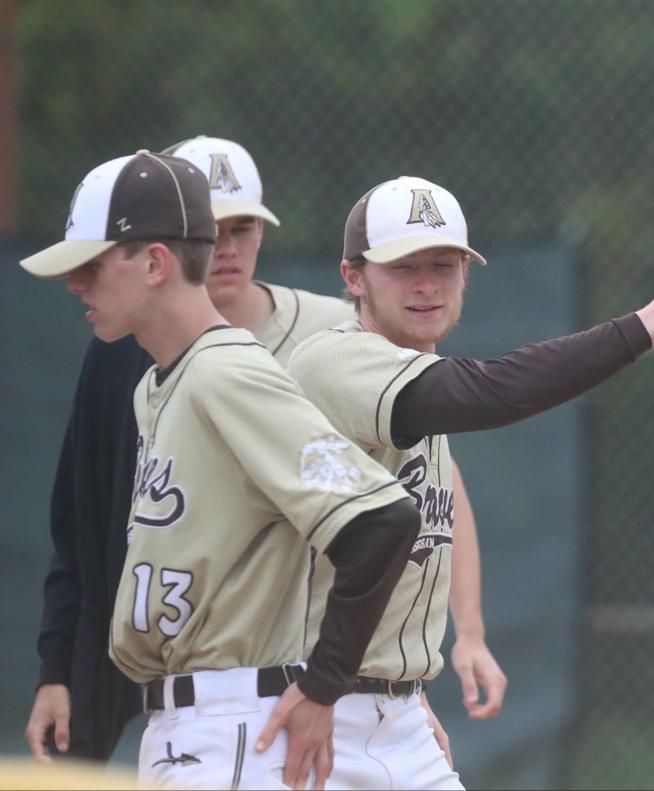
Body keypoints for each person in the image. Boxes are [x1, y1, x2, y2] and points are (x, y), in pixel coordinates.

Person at [25, 136, 503, 766]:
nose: (224, 245)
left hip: (270, 690)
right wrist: (61, 664)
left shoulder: (331, 335)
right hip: (172, 660)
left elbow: (418, 491)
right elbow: (85, 517)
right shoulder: (127, 357)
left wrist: (404, 670)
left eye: (242, 225)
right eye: (211, 225)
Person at [286, 175, 654, 788]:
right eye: (403, 266)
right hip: (314, 706)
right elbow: (495, 392)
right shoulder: (336, 361)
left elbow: (447, 501)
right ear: (353, 277)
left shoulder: (411, 378)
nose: (427, 284)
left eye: (444, 265)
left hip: (392, 710)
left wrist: (449, 648)